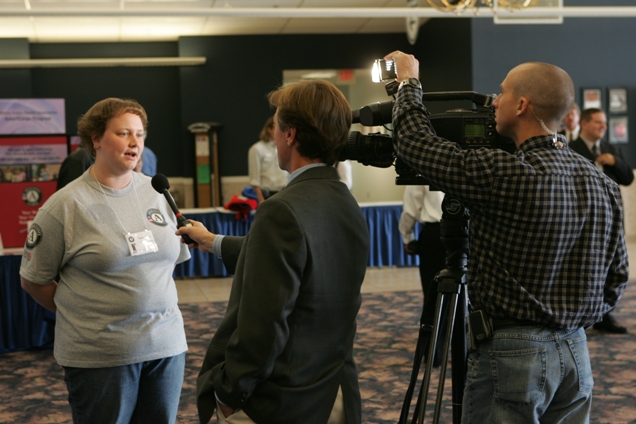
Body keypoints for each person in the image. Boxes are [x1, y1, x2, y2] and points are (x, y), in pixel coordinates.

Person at [384, 52, 628, 423]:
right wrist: (570, 318)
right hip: (577, 351)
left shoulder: (505, 174)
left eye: (502, 93)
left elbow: (416, 144)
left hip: (513, 353)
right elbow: (617, 278)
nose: (494, 101)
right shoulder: (603, 184)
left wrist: (407, 84)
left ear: (522, 105)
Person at [177, 80, 370, 424]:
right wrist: (212, 241)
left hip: (280, 402)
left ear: (290, 134)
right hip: (332, 392)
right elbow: (299, 257)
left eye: (278, 124)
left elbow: (262, 330)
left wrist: (228, 393)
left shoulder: (280, 210)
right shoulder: (346, 202)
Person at [20, 97, 190, 424]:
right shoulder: (64, 206)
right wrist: (82, 311)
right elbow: (32, 280)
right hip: (100, 355)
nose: (134, 142)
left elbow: (168, 262)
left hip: (166, 347)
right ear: (96, 139)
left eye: (140, 134)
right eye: (124, 133)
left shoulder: (158, 192)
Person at [569, 107, 633, 334]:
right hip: (582, 219)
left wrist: (615, 161)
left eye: (604, 122)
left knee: (610, 266)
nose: (603, 126)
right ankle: (580, 314)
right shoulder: (571, 148)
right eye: (598, 122)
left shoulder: (611, 149)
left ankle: (604, 315)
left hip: (610, 219)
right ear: (584, 124)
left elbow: (627, 178)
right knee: (583, 266)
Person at [399, 184, 446, 365]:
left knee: (433, 295)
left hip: (435, 236)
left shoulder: (427, 160)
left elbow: (412, 204)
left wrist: (407, 236)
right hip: (468, 232)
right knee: (469, 295)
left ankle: (434, 353)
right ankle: (465, 352)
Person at [248, 116, 289, 203]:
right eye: (278, 127)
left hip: (285, 192)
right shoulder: (257, 149)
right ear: (269, 129)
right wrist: (261, 200)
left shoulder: (285, 147)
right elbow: (255, 179)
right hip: (267, 194)